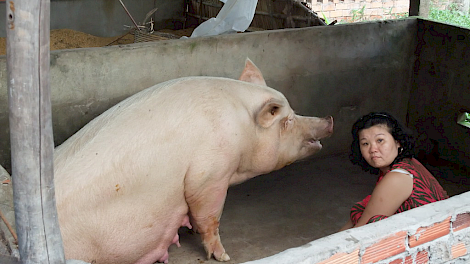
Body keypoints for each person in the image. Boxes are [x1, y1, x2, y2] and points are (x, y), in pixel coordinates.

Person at [340, 112, 449, 231]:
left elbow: (360, 233)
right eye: (365, 143)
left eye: (380, 140)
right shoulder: (409, 162)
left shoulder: (397, 178)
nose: (372, 149)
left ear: (398, 142)